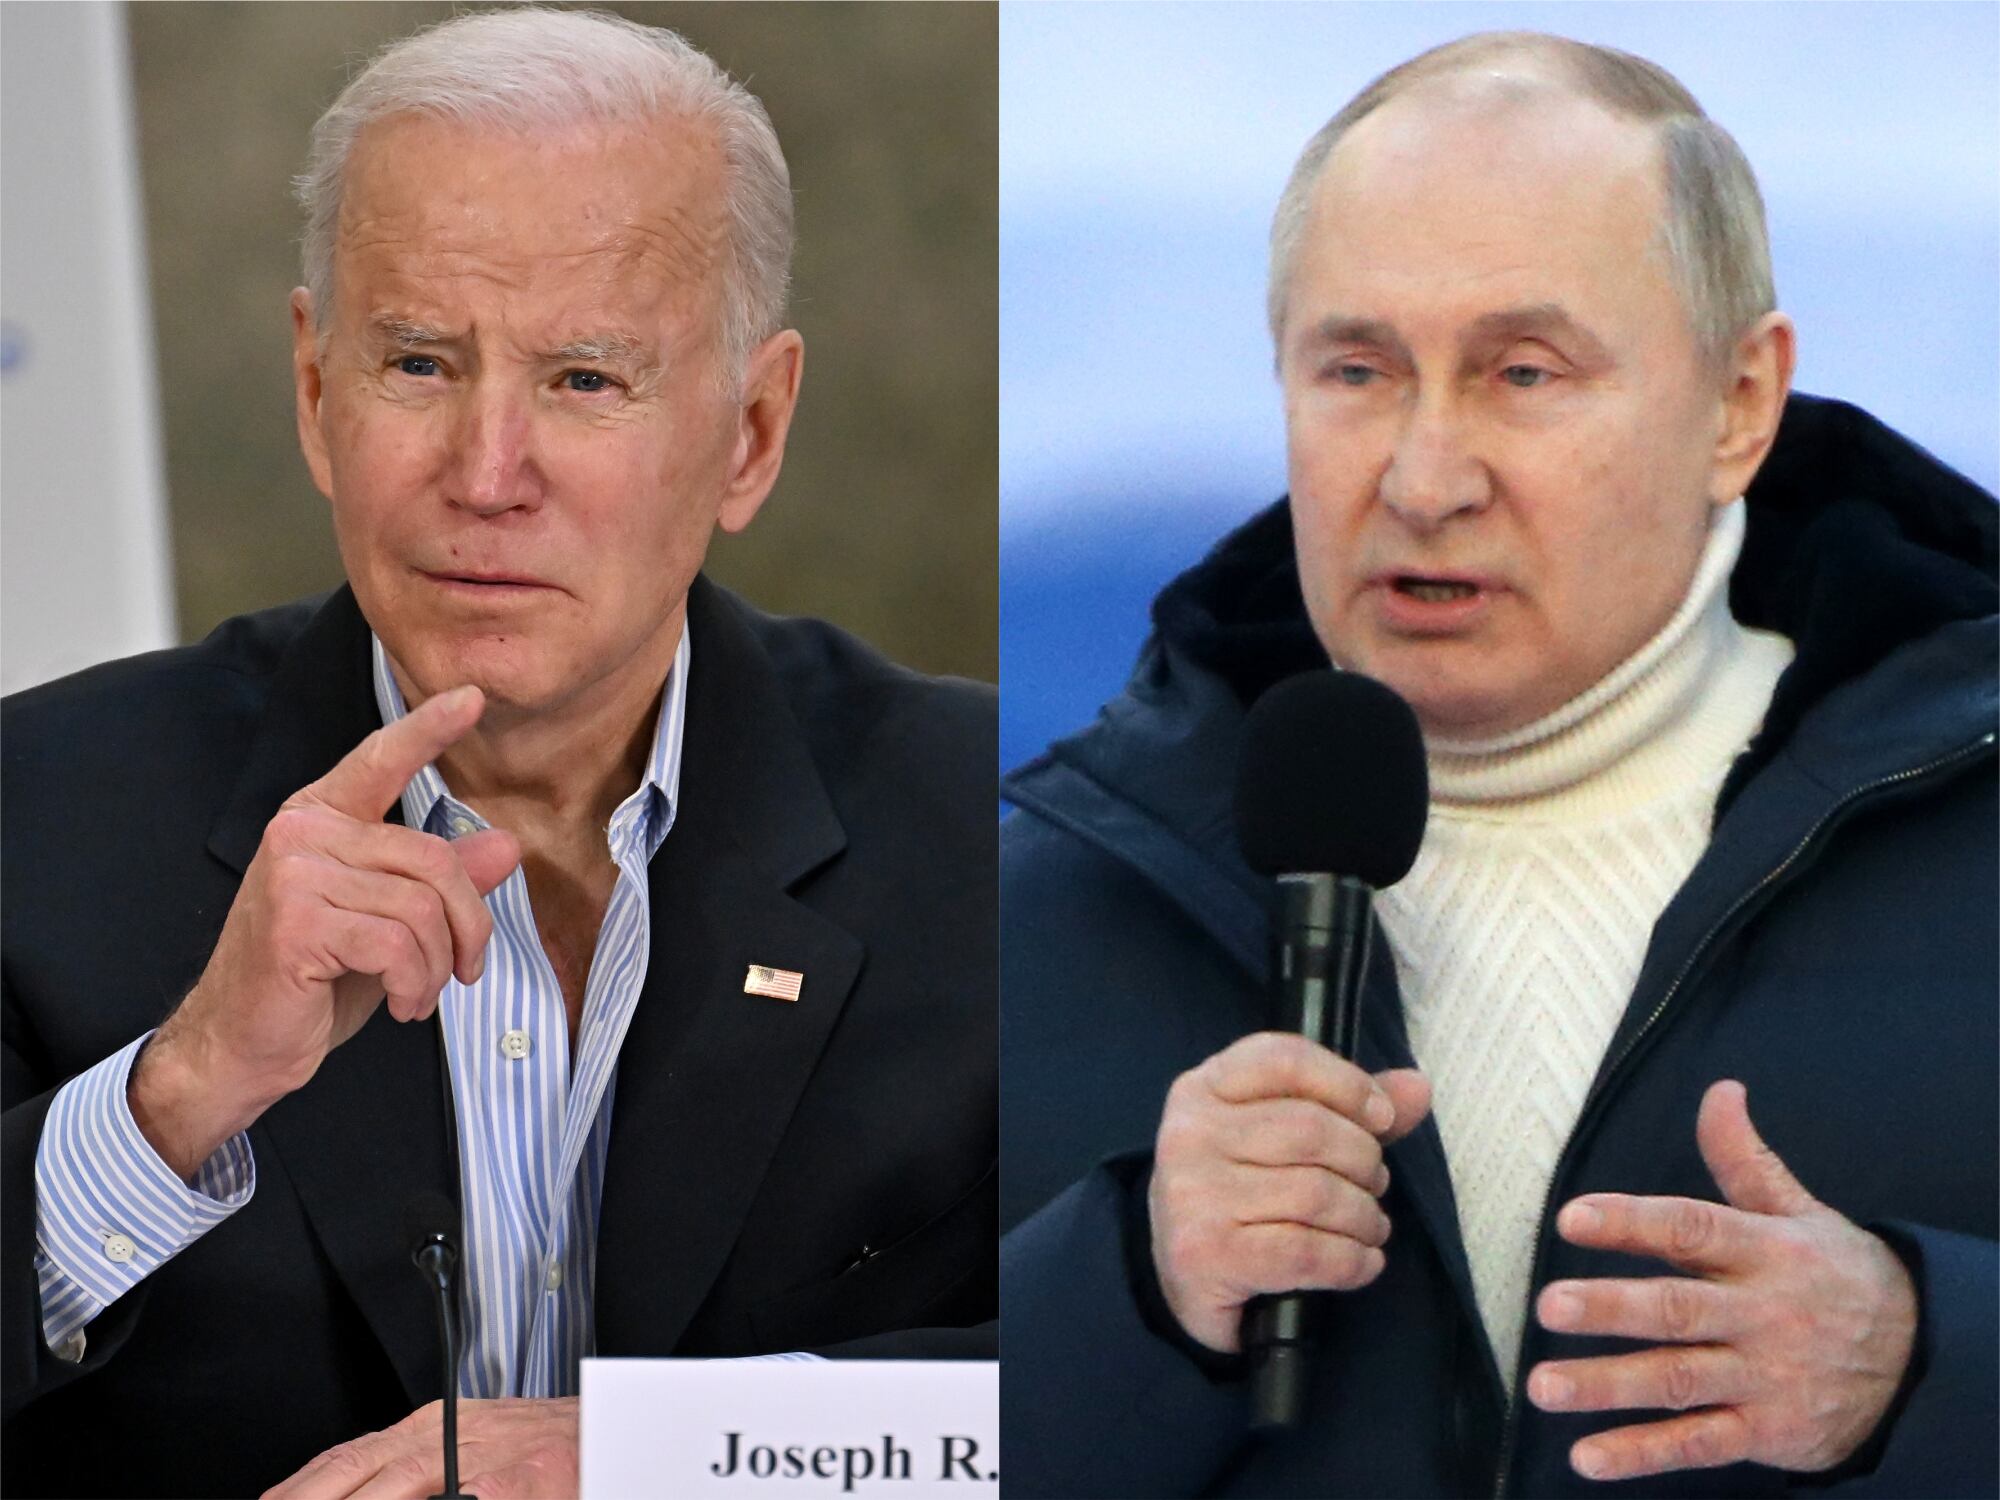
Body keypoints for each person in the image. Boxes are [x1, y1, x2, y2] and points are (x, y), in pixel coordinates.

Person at [2, 11, 994, 1498]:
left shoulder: (992, 831)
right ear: (315, 392)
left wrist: (664, 1457)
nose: (485, 474)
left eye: (585, 379)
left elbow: (1108, 1393)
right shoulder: (36, 815)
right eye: (418, 363)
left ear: (751, 430)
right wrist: (182, 1090)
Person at [1000, 31, 1994, 1499]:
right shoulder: (1034, 899)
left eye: (1523, 373)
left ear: (1739, 402)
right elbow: (789, 1443)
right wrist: (1126, 1294)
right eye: (1358, 370)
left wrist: (1924, 1360)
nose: (1424, 477)